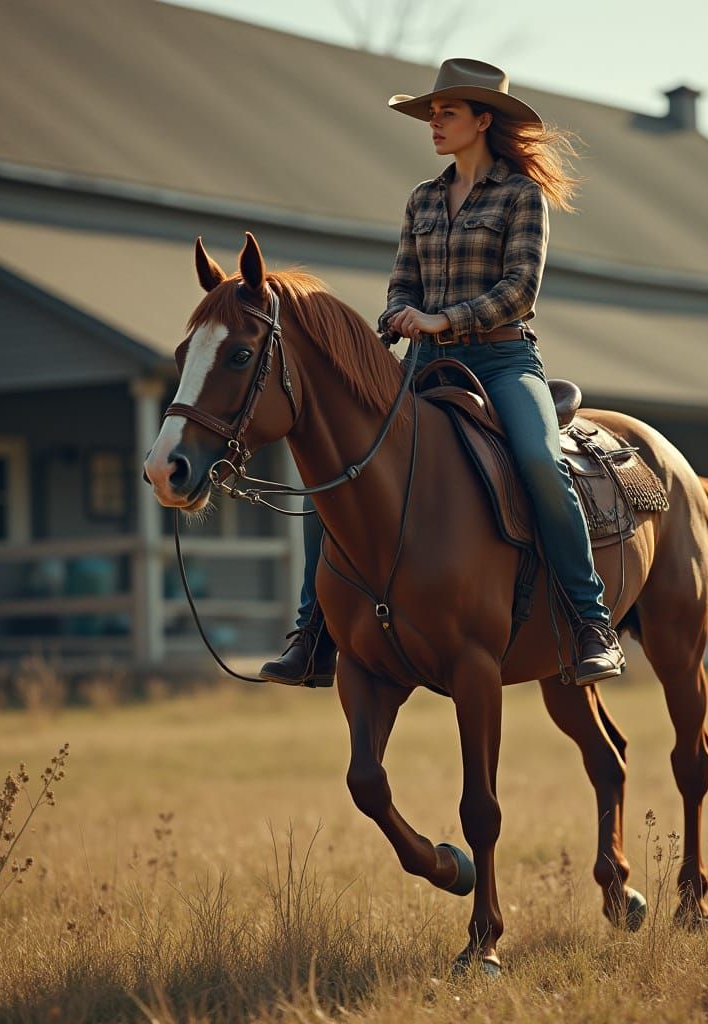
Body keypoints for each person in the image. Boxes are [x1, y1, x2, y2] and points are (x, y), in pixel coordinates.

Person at [260, 58, 625, 688]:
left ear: (482, 121)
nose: (434, 123)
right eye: (432, 114)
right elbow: (402, 281)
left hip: (504, 358)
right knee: (338, 472)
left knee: (541, 460)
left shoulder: (521, 196)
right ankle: (311, 634)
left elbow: (520, 290)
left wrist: (445, 319)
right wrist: (400, 314)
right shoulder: (422, 199)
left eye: (446, 113)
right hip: (425, 365)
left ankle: (592, 623)